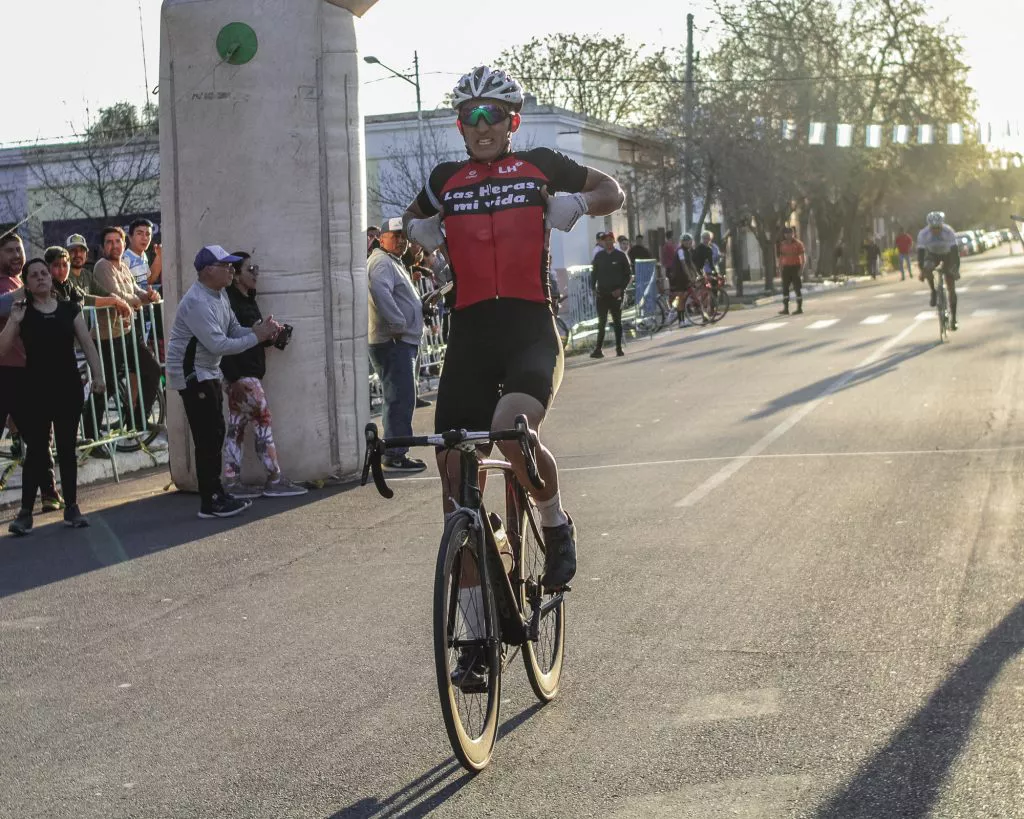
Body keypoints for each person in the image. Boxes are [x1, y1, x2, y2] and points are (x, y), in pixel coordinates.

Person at [403, 64, 624, 598]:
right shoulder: (443, 180)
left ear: (512, 121)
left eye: (493, 115)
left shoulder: (540, 165)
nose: (482, 124)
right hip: (470, 338)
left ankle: (553, 521)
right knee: (456, 482)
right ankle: (477, 633)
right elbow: (404, 224)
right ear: (459, 125)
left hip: (529, 329)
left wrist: (579, 202)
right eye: (470, 115)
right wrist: (415, 233)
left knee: (510, 426)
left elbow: (611, 190)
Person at [165, 245, 281, 519]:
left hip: (207, 371)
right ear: (207, 271)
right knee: (208, 436)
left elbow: (232, 329)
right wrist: (258, 337)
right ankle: (211, 501)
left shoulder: (218, 295)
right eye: (225, 266)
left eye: (232, 266)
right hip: (192, 375)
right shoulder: (198, 302)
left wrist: (257, 329)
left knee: (216, 432)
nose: (231, 270)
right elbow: (218, 343)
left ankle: (216, 492)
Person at [1, 259, 106, 535]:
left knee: (67, 448)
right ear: (26, 283)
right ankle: (25, 513)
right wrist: (13, 320)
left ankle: (72, 507)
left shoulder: (70, 308)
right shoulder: (23, 312)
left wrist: (98, 376)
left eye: (44, 273)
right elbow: (1, 350)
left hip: (67, 388)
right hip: (35, 390)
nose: (40, 278)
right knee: (36, 451)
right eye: (33, 275)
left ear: (51, 278)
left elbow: (87, 342)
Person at [219, 252, 308, 499]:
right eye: (250, 269)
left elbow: (249, 338)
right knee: (262, 422)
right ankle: (274, 478)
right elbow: (223, 342)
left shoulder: (248, 300)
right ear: (236, 276)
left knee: (236, 428)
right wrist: (233, 378)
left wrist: (270, 337)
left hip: (246, 375)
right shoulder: (230, 303)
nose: (256, 273)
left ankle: (232, 481)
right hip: (243, 377)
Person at [83, 226, 163, 439]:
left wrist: (149, 295)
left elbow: (134, 290)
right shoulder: (102, 266)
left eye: (117, 241)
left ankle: (137, 421)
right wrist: (139, 300)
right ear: (103, 246)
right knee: (105, 387)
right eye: (109, 242)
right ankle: (91, 436)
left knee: (153, 370)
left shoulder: (123, 266)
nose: (114, 246)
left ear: (123, 243)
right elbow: (116, 295)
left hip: (126, 333)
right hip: (106, 338)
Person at [367, 217, 426, 473]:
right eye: (395, 236)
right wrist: (399, 324)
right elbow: (380, 292)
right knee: (399, 398)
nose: (401, 240)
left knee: (402, 396)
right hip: (394, 341)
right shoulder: (381, 263)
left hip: (400, 340)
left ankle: (396, 450)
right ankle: (395, 453)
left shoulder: (391, 261)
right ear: (382, 238)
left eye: (403, 236)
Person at [590, 232, 632, 358]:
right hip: (602, 294)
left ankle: (619, 348)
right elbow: (594, 273)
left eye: (609, 240)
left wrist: (621, 289)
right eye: (605, 240)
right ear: (602, 242)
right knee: (601, 322)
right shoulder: (599, 256)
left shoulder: (620, 256)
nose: (607, 242)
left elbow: (628, 275)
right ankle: (598, 349)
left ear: (613, 241)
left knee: (617, 321)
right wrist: (592, 287)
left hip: (616, 294)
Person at [917, 211, 961, 330]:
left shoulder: (949, 232)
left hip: (947, 255)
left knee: (951, 286)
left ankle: (954, 319)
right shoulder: (923, 234)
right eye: (933, 228)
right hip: (932, 255)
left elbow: (955, 253)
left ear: (942, 225)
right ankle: (933, 291)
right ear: (929, 226)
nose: (936, 231)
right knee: (927, 267)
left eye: (938, 228)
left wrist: (955, 269)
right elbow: (920, 255)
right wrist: (922, 271)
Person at [123, 218, 162, 288]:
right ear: (130, 237)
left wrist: (159, 256)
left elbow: (149, 281)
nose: (144, 238)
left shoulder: (143, 255)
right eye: (139, 233)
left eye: (148, 234)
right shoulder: (125, 259)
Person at [776, 226, 805, 315]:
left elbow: (803, 258)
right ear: (784, 235)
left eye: (790, 233)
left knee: (797, 288)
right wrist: (780, 269)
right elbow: (781, 258)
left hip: (795, 267)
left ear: (793, 234)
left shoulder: (798, 244)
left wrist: (801, 270)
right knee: (785, 289)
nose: (788, 235)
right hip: (786, 268)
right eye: (786, 234)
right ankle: (786, 308)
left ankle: (799, 308)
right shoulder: (782, 244)